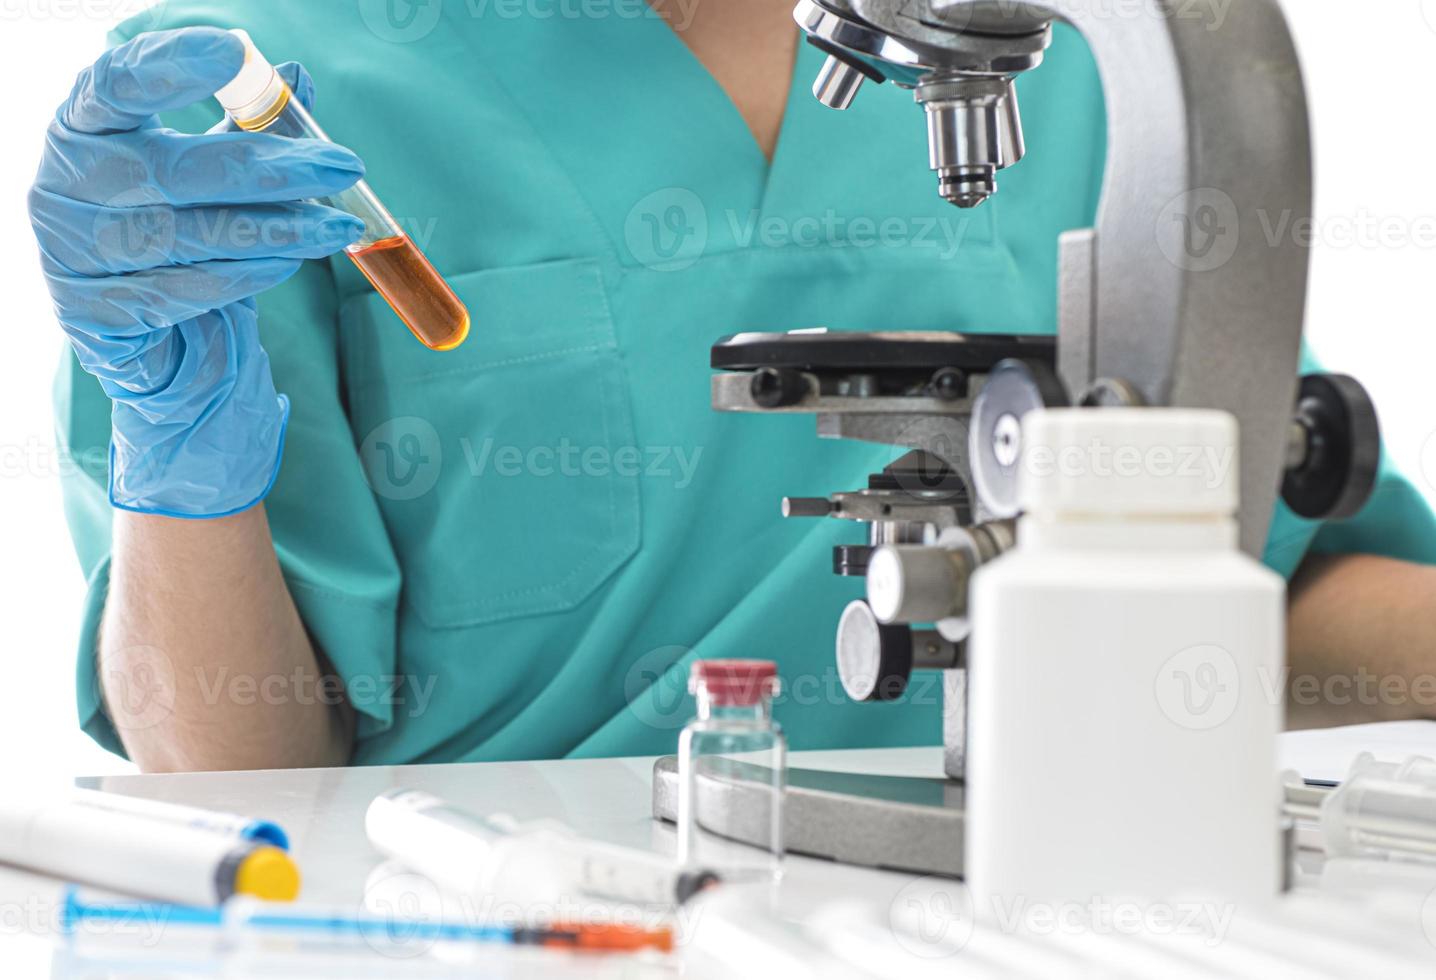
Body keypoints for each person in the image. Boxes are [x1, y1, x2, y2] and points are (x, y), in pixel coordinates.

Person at [31, 2, 1436, 773]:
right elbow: (236, 758)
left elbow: (1269, 590)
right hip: (486, 924)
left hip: (1017, 904)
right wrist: (176, 452)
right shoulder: (265, 97)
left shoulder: (1066, 55)